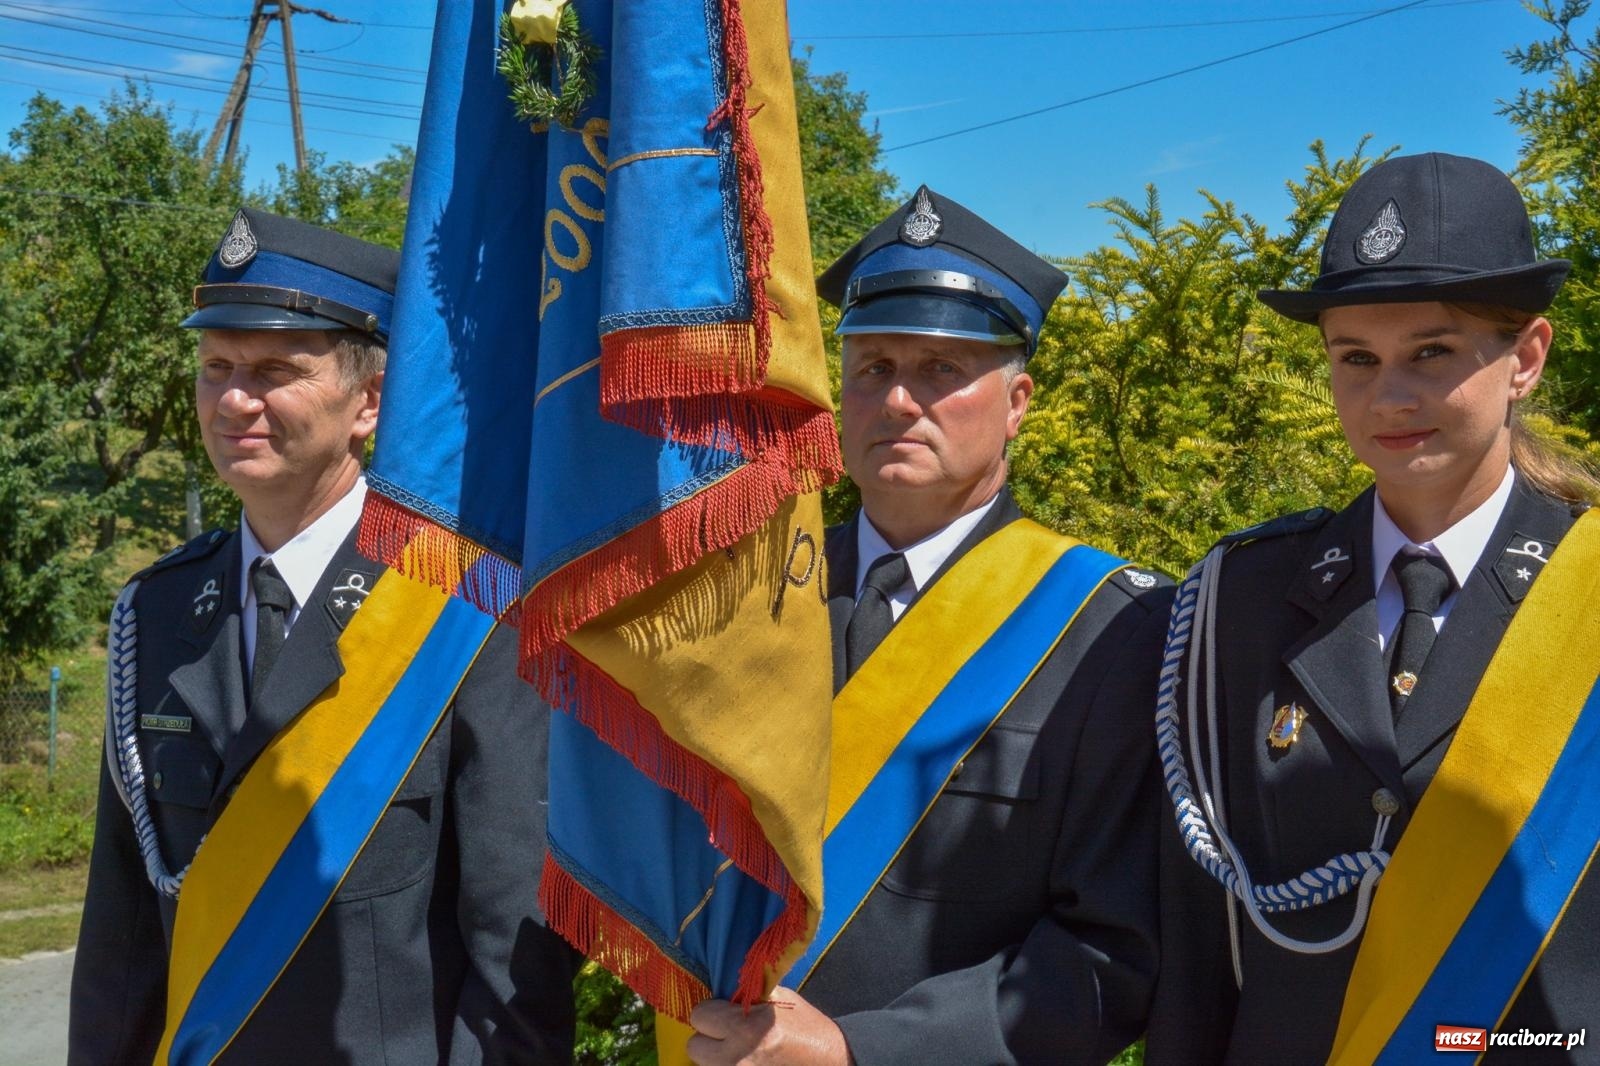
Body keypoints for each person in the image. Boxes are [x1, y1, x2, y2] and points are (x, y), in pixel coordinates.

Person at [69, 208, 577, 1064]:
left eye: (273, 369)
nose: (234, 398)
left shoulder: (463, 609)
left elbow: (512, 953)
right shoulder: (155, 612)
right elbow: (121, 943)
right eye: (215, 367)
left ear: (368, 402)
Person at [685, 187, 1171, 1066]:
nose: (901, 401)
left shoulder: (1114, 629)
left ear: (1017, 401)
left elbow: (1113, 953)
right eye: (873, 368)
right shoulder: (747, 591)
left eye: (944, 370)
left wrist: (859, 1054)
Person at [1147, 153, 1600, 1063]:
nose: (1388, 396)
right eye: (1355, 358)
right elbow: (1198, 948)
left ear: (1527, 359)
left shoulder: (1585, 590)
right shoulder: (1240, 597)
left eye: (1431, 351)